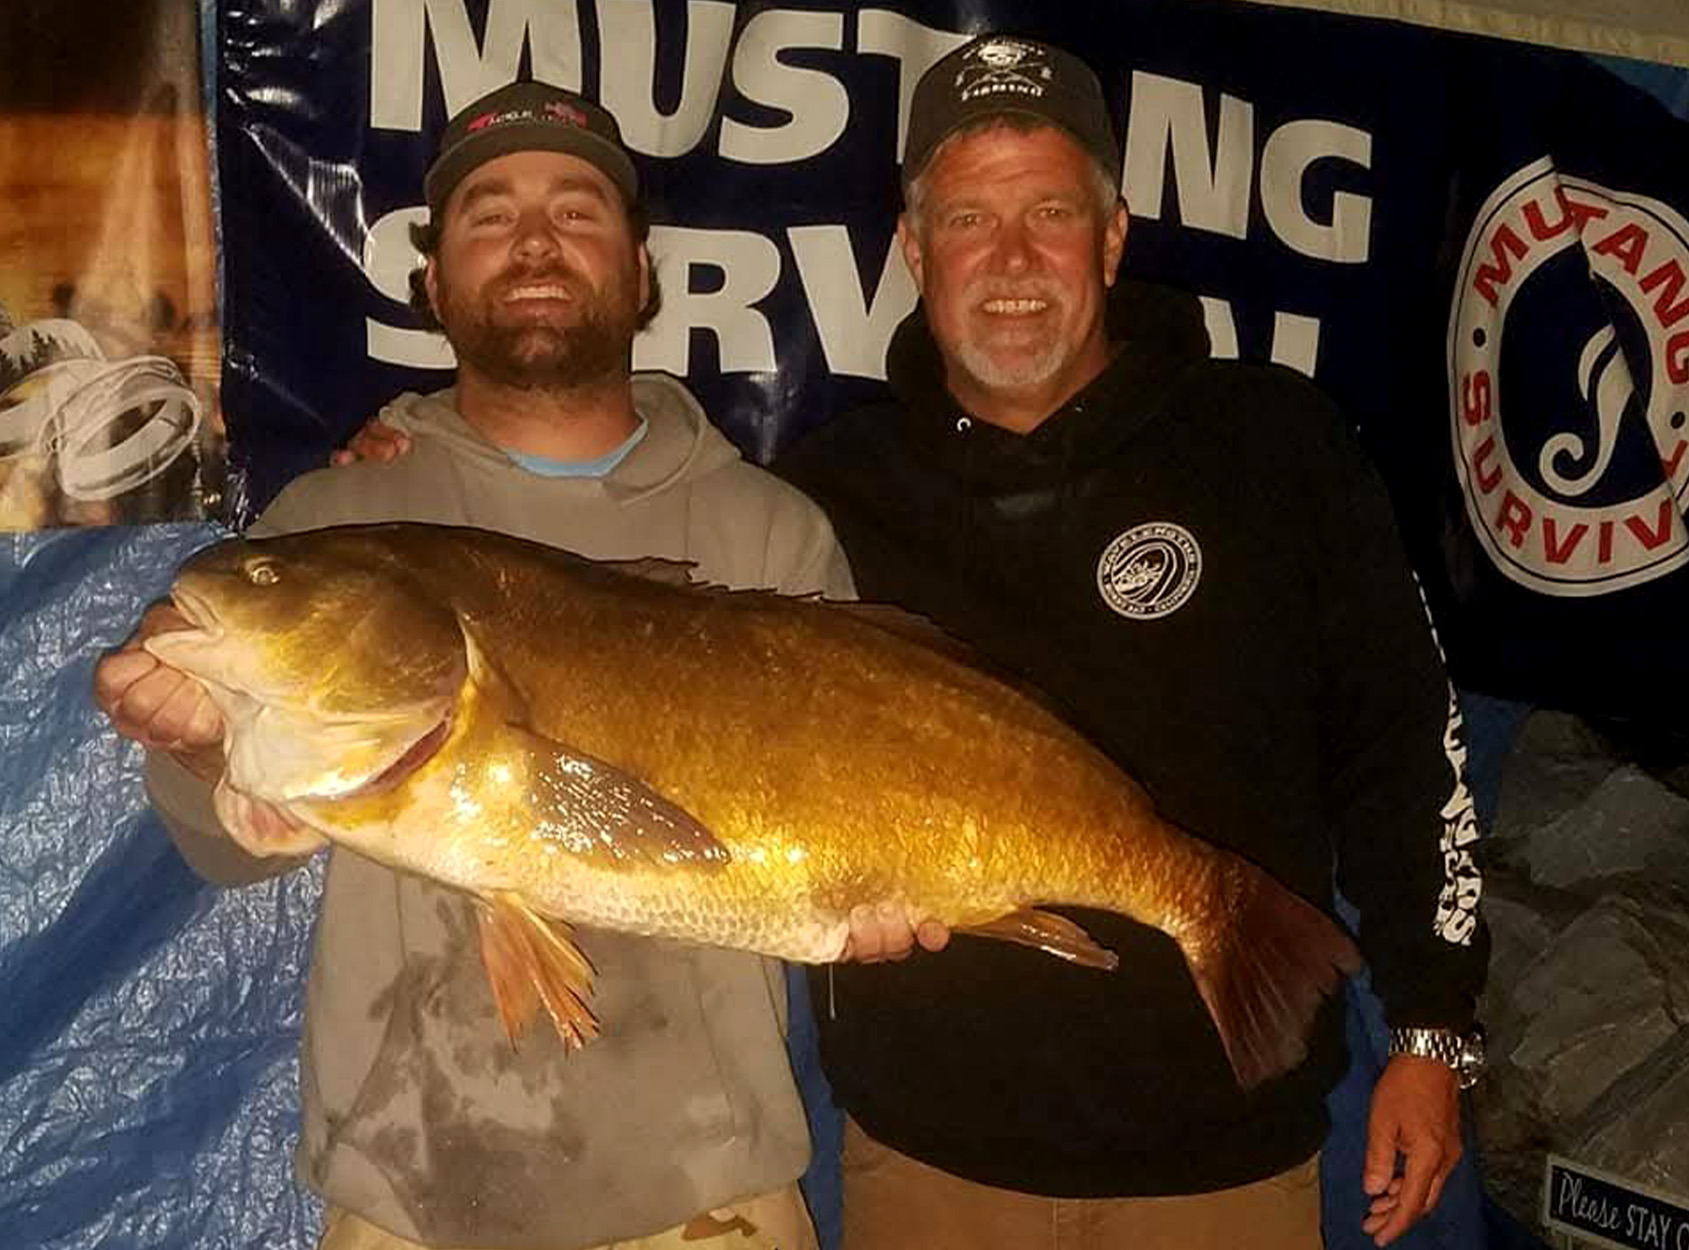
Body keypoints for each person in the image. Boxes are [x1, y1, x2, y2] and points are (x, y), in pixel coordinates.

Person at [93, 80, 857, 1250]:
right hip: (408, 1194)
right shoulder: (337, 512)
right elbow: (225, 850)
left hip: (712, 1198)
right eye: (488, 214)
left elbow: (856, 805)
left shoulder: (772, 530)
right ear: (434, 281)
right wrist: (201, 742)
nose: (535, 239)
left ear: (642, 273)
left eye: (578, 209)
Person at [772, 35, 1490, 1250]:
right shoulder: (831, 488)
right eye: (966, 218)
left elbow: (1402, 745)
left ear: (1110, 238)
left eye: (1049, 211)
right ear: (910, 249)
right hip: (920, 1160)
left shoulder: (1276, 442)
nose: (1009, 260)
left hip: (1220, 1168)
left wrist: (1429, 1032)